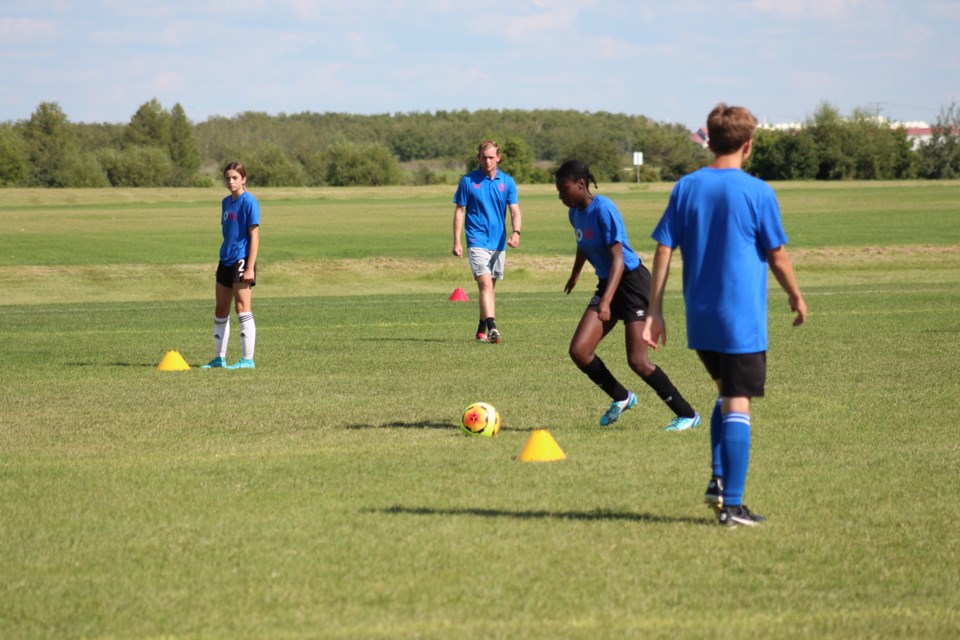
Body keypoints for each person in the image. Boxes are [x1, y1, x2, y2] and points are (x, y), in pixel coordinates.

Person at [642, 104, 808, 527]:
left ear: (709, 140)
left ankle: (719, 482)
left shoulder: (686, 187)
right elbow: (777, 253)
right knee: (738, 402)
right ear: (748, 146)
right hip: (740, 319)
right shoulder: (757, 192)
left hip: (701, 318)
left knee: (725, 393)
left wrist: (655, 310)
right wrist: (795, 295)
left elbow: (664, 247)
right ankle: (731, 507)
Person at [556, 159, 700, 431]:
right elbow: (583, 244)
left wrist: (608, 302)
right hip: (607, 283)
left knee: (638, 361)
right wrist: (575, 274)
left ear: (581, 184)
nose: (560, 195)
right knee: (580, 351)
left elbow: (619, 260)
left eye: (563, 189)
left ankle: (687, 414)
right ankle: (622, 397)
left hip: (632, 284)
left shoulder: (604, 209)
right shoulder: (575, 213)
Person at [452, 140, 522, 344]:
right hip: (476, 239)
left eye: (491, 157)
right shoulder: (468, 181)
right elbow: (459, 211)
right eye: (484, 157)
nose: (488, 161)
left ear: (498, 157)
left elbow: (514, 210)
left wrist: (516, 232)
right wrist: (457, 241)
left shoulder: (507, 182)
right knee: (484, 284)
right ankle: (493, 327)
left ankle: (481, 329)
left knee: (489, 288)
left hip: (498, 241)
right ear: (478, 158)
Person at [201, 161, 261, 370]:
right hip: (225, 259)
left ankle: (247, 359)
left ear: (243, 179)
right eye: (227, 177)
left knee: (242, 308)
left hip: (242, 260)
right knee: (220, 309)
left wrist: (250, 267)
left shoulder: (250, 202)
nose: (231, 181)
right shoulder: (226, 202)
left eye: (235, 177)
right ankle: (219, 358)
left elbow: (254, 236)